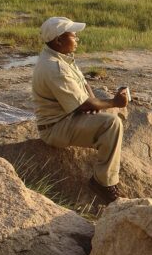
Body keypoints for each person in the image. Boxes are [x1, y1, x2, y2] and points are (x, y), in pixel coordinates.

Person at [30, 15, 127, 190]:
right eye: (73, 35)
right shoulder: (54, 67)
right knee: (112, 124)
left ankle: (106, 157)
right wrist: (114, 102)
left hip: (67, 117)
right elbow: (84, 105)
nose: (77, 39)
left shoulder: (59, 56)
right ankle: (104, 183)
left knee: (105, 111)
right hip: (55, 128)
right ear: (59, 40)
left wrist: (94, 103)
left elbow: (84, 83)